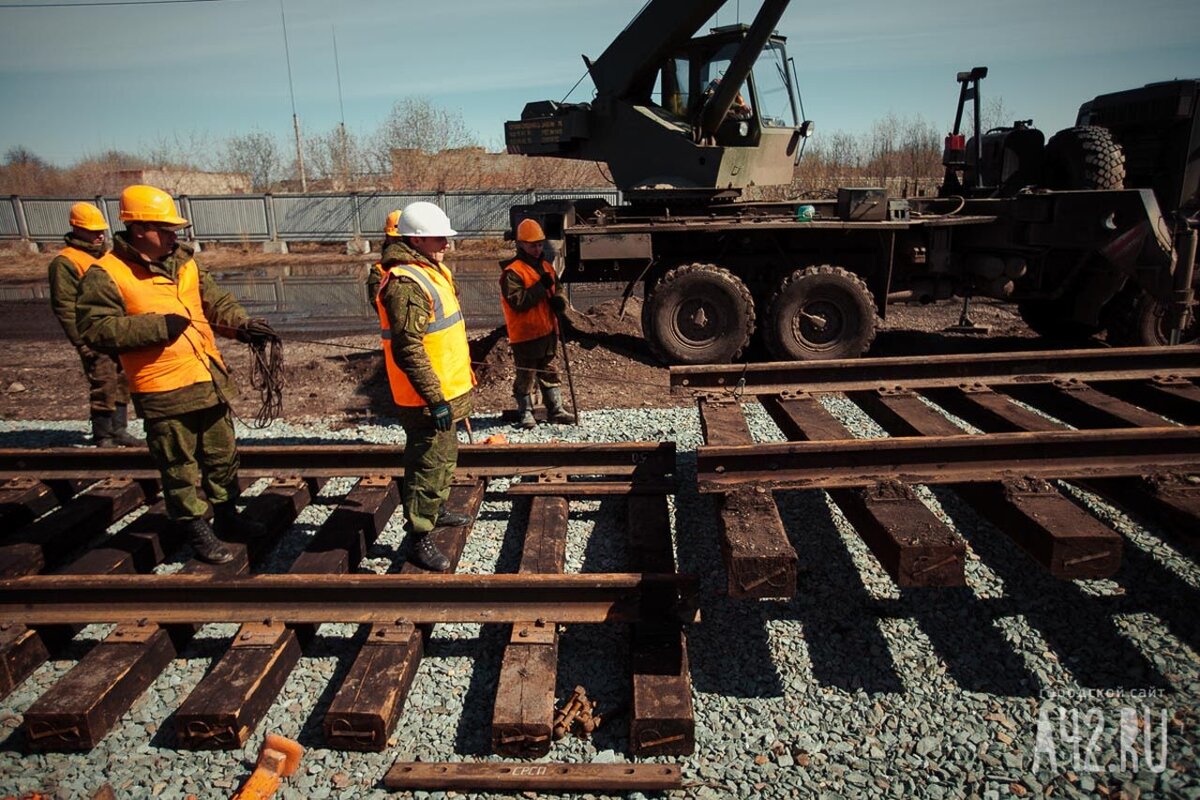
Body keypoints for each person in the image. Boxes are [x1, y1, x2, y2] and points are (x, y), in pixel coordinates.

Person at [75, 185, 278, 565]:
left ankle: (228, 516)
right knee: (178, 465)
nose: (174, 236)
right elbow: (93, 329)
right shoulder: (107, 273)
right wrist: (156, 328)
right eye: (165, 229)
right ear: (138, 229)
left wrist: (243, 327)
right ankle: (195, 528)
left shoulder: (186, 264)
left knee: (222, 456)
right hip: (162, 388)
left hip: (208, 379)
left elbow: (217, 305)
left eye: (174, 229)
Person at [375, 201, 476, 572]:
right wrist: (434, 398)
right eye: (439, 237)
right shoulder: (406, 283)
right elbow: (409, 349)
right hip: (426, 396)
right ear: (416, 240)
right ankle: (418, 537)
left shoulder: (430, 271)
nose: (446, 243)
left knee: (443, 457)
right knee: (426, 462)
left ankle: (436, 508)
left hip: (445, 388)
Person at [47, 202, 143, 448]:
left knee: (122, 381)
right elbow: (65, 306)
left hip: (117, 331)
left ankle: (119, 430)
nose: (99, 235)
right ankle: (103, 436)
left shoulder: (107, 257)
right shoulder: (66, 262)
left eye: (101, 230)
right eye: (93, 231)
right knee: (103, 382)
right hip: (92, 335)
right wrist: (81, 342)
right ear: (76, 228)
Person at [499, 218, 575, 429]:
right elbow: (518, 302)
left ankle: (556, 409)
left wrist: (560, 301)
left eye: (540, 244)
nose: (537, 248)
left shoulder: (546, 267)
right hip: (525, 335)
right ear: (521, 244)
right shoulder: (512, 272)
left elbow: (557, 289)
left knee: (550, 371)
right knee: (526, 375)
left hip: (548, 331)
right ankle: (525, 412)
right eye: (533, 245)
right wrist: (541, 287)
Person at [366, 209, 403, 312]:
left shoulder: (422, 263)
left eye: (402, 239)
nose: (400, 244)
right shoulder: (379, 272)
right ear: (388, 238)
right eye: (396, 239)